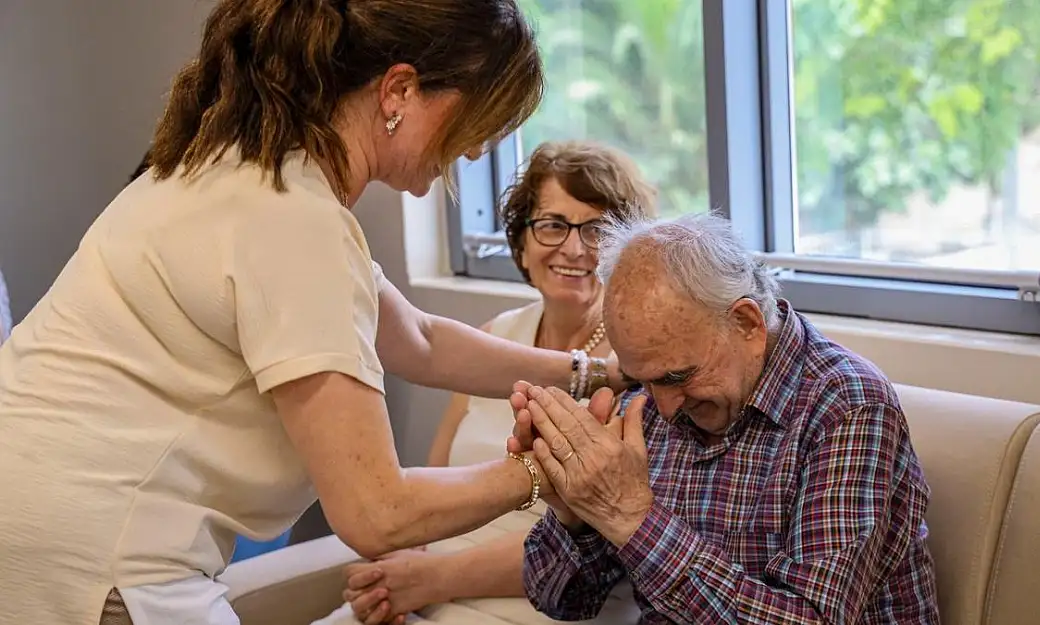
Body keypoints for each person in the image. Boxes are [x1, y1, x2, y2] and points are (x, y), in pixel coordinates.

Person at [0, 1, 626, 624]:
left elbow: (421, 341)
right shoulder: (295, 223)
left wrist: (596, 373)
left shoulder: (240, 171)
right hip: (94, 557)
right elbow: (377, 513)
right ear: (399, 90)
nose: (473, 152)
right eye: (478, 120)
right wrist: (556, 467)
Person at [511, 213, 942, 623]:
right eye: (643, 381)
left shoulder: (846, 406)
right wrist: (575, 511)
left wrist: (632, 518)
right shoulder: (656, 394)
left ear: (747, 323)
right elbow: (563, 601)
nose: (664, 408)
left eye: (677, 377)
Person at [341, 140, 656, 623]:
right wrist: (399, 578)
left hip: (536, 605)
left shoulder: (639, 366)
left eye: (596, 230)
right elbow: (438, 474)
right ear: (523, 242)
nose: (573, 248)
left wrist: (429, 578)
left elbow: (603, 541)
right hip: (424, 587)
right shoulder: (493, 340)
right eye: (552, 225)